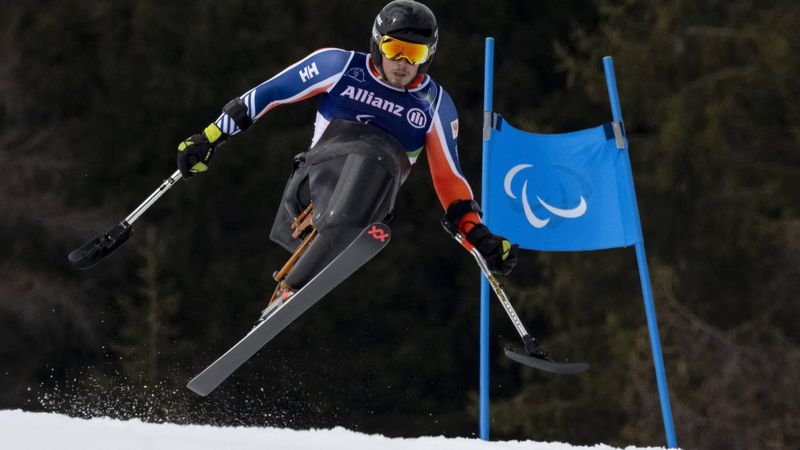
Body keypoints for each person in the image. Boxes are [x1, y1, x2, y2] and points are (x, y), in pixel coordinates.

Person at [176, 0, 518, 323]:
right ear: (376, 43)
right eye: (393, 49)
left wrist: (479, 235)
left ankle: (291, 287)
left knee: (382, 157)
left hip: (370, 200)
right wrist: (209, 138)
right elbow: (269, 94)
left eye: (413, 53)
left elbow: (448, 179)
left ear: (428, 55)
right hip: (313, 188)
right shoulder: (339, 66)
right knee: (373, 150)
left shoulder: (434, 104)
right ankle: (292, 281)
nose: (402, 62)